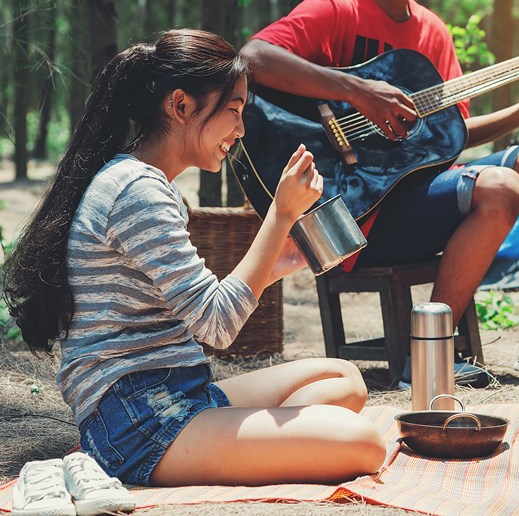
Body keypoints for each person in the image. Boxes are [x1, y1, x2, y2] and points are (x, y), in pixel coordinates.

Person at [2, 29, 386, 487]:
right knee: (363, 443)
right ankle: (206, 448)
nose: (240, 130)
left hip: (178, 391)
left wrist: (276, 262)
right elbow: (217, 326)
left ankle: (237, 444)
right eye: (233, 111)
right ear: (181, 106)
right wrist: (280, 214)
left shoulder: (145, 183)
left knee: (344, 380)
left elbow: (200, 310)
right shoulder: (137, 193)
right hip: (137, 420)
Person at [240, 0, 519, 380]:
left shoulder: (432, 32)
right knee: (501, 186)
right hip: (350, 215)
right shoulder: (335, 8)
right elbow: (252, 57)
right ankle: (427, 357)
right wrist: (354, 90)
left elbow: (449, 136)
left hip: (418, 197)